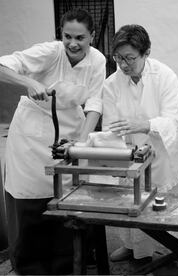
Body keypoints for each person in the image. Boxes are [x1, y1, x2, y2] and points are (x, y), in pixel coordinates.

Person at [0, 9, 106, 274]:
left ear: (91, 36)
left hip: (70, 129)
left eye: (80, 37)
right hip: (31, 135)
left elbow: (94, 101)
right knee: (31, 198)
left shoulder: (97, 60)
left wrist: (81, 142)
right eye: (67, 36)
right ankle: (29, 266)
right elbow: (3, 66)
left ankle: (66, 263)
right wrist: (27, 82)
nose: (73, 43)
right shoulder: (49, 52)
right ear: (60, 34)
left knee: (67, 198)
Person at [102, 24, 178, 264]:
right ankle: (134, 248)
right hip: (132, 152)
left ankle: (173, 251)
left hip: (165, 149)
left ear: (146, 53)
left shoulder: (165, 76)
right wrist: (119, 149)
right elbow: (111, 127)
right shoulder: (111, 83)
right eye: (118, 58)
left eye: (130, 58)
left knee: (165, 206)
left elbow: (172, 119)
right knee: (134, 201)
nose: (123, 65)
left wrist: (143, 125)